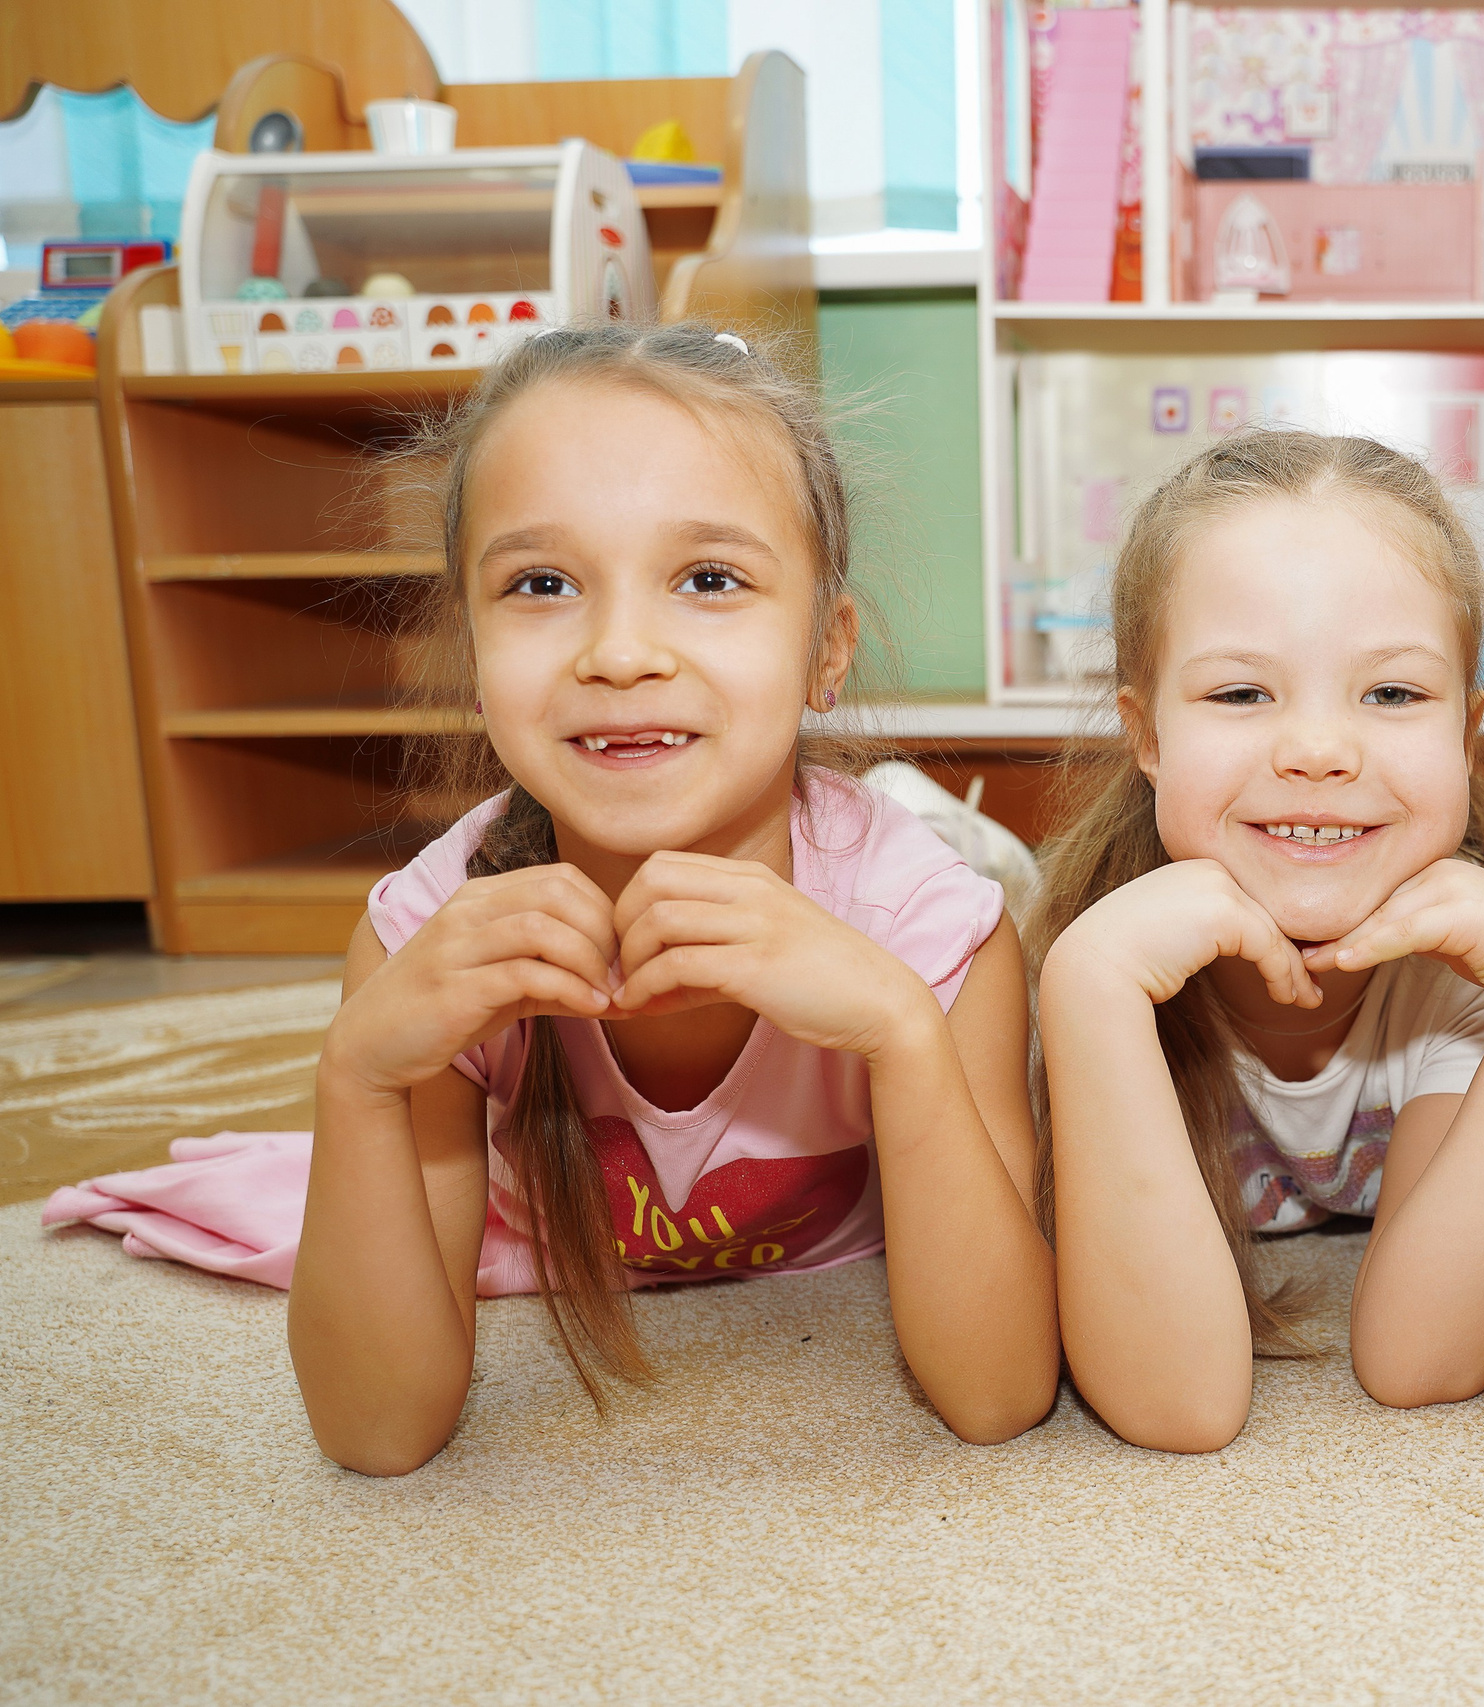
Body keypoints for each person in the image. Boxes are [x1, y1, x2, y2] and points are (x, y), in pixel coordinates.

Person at [49, 324, 1059, 1471]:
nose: (619, 652)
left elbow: (996, 1396)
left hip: (884, 886)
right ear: (470, 645)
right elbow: (377, 1433)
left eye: (708, 579)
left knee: (950, 861)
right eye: (542, 583)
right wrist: (359, 1075)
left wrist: (901, 1036)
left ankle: (933, 810)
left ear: (828, 650)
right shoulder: (425, 937)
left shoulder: (934, 935)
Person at [1029, 430, 1484, 1454]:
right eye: (1242, 693)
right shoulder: (1092, 963)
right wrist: (1089, 986)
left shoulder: (1476, 977)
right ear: (1146, 733)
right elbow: (1179, 1407)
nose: (1319, 751)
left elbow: (1418, 1362)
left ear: (1466, 736)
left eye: (1391, 693)